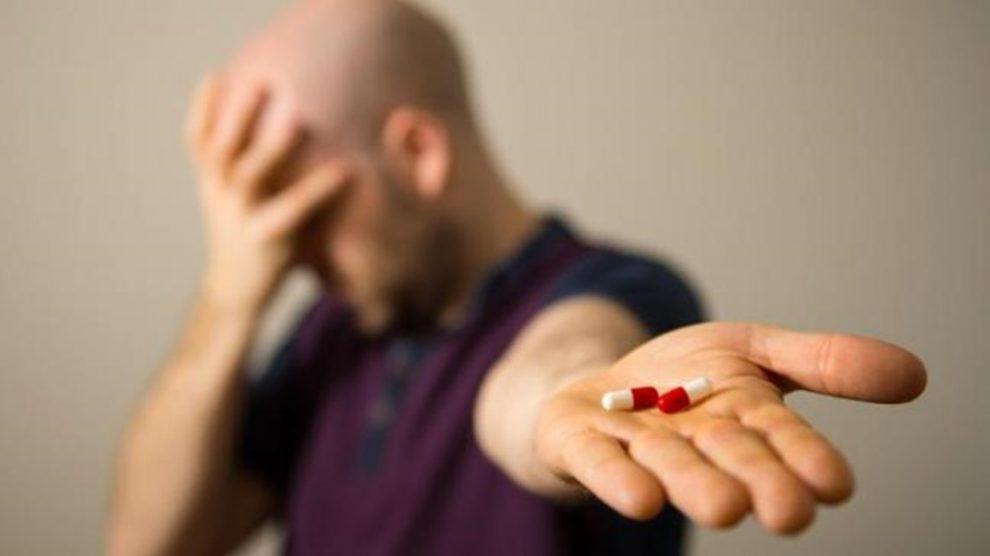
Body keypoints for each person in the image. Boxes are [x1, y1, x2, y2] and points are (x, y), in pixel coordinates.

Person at [107, 1, 927, 554]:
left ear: (418, 154)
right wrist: (228, 294)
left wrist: (570, 401)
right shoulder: (332, 331)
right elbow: (146, 544)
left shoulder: (623, 289)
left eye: (303, 213)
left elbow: (553, 372)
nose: (288, 257)